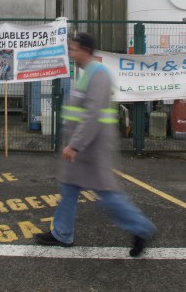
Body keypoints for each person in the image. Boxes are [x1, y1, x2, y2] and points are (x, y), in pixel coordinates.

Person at [34, 32, 156, 257]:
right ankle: (62, 233)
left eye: (74, 49)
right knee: (69, 187)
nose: (71, 53)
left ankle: (142, 228)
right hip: (82, 147)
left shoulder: (98, 74)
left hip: (91, 148)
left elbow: (93, 115)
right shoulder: (87, 73)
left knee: (106, 193)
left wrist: (75, 145)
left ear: (85, 50)